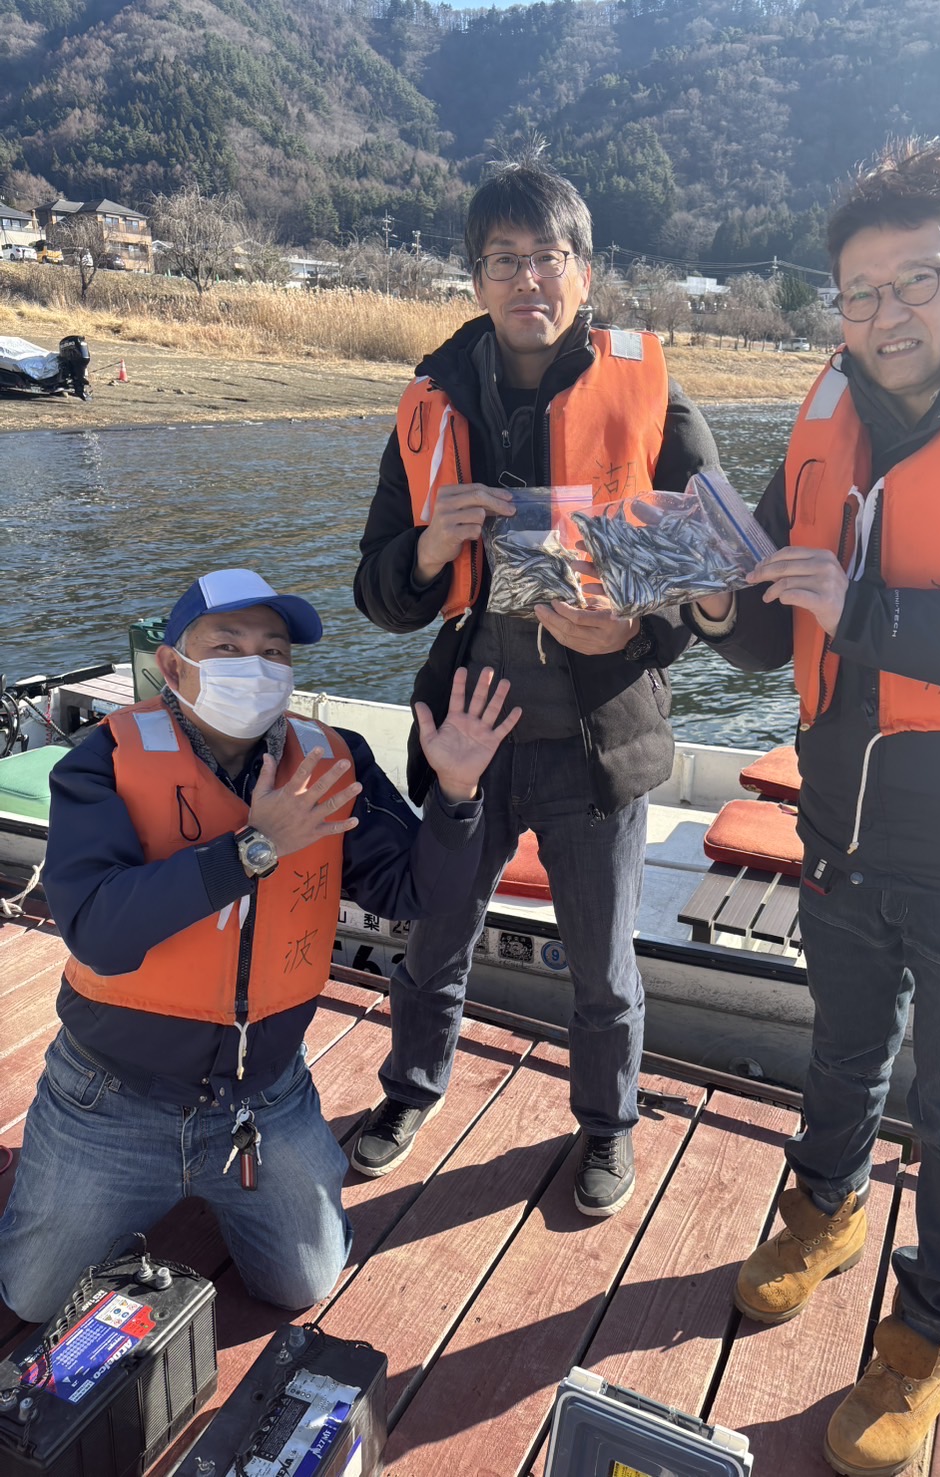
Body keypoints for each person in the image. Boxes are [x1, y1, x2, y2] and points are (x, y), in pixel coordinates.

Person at [688, 139, 940, 1476]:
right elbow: (773, 627)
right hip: (841, 822)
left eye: (915, 279)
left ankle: (933, 1328)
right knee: (842, 1049)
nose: (884, 316)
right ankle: (826, 1207)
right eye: (858, 293)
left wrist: (865, 610)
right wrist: (715, 605)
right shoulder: (829, 404)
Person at [0, 568, 519, 1323]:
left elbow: (417, 893)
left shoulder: (334, 760)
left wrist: (456, 795)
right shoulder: (103, 762)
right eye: (229, 646)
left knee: (304, 1283)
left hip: (262, 1093)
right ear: (174, 666)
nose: (257, 666)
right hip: (110, 1097)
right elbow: (100, 935)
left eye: (274, 651)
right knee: (33, 1297)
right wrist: (251, 848)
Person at [353, 150, 719, 1216]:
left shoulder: (649, 391)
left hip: (597, 733)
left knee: (602, 964)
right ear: (475, 277)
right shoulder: (429, 401)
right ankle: (410, 1090)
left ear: (584, 272)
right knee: (436, 936)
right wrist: (429, 550)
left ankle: (608, 1125)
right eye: (502, 259)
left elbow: (711, 570)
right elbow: (379, 593)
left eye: (547, 256)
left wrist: (632, 630)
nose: (527, 279)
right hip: (470, 728)